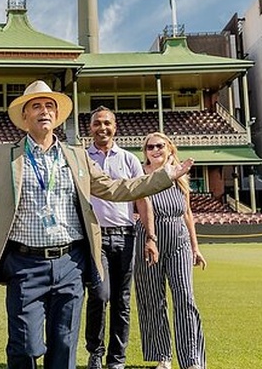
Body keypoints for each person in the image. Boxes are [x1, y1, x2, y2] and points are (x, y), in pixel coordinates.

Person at [0, 80, 193, 369]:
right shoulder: (3, 155)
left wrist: (166, 176)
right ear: (25, 115)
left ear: (56, 115)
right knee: (24, 346)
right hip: (24, 264)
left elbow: (117, 189)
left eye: (49, 105)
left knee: (64, 344)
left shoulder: (76, 156)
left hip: (70, 263)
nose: (44, 110)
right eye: (36, 106)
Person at [84, 106, 157, 369]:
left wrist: (151, 237)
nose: (102, 128)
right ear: (89, 128)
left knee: (122, 301)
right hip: (95, 238)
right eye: (96, 123)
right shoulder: (83, 159)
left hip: (126, 236)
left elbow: (142, 198)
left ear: (115, 127)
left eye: (107, 123)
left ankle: (117, 359)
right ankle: (95, 352)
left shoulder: (129, 160)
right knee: (99, 296)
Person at [133, 132, 207, 369]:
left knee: (185, 297)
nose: (155, 150)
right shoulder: (141, 177)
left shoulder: (180, 177)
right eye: (149, 147)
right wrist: (151, 238)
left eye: (159, 146)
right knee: (153, 299)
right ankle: (163, 357)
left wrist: (195, 247)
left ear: (169, 149)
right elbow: (145, 210)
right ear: (145, 152)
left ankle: (192, 359)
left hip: (179, 241)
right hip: (148, 239)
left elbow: (187, 214)